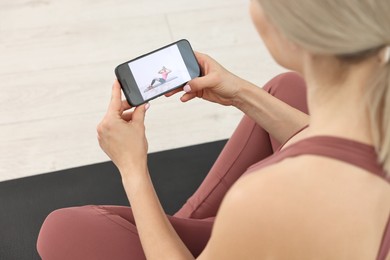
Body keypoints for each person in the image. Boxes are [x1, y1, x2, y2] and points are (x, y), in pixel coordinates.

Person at [37, 0, 390, 259]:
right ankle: (175, 229)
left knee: (62, 231)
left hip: (289, 224)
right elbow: (331, 146)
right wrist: (240, 93)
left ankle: (172, 232)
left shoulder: (266, 196)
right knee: (286, 88)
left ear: (293, 35)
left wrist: (132, 167)